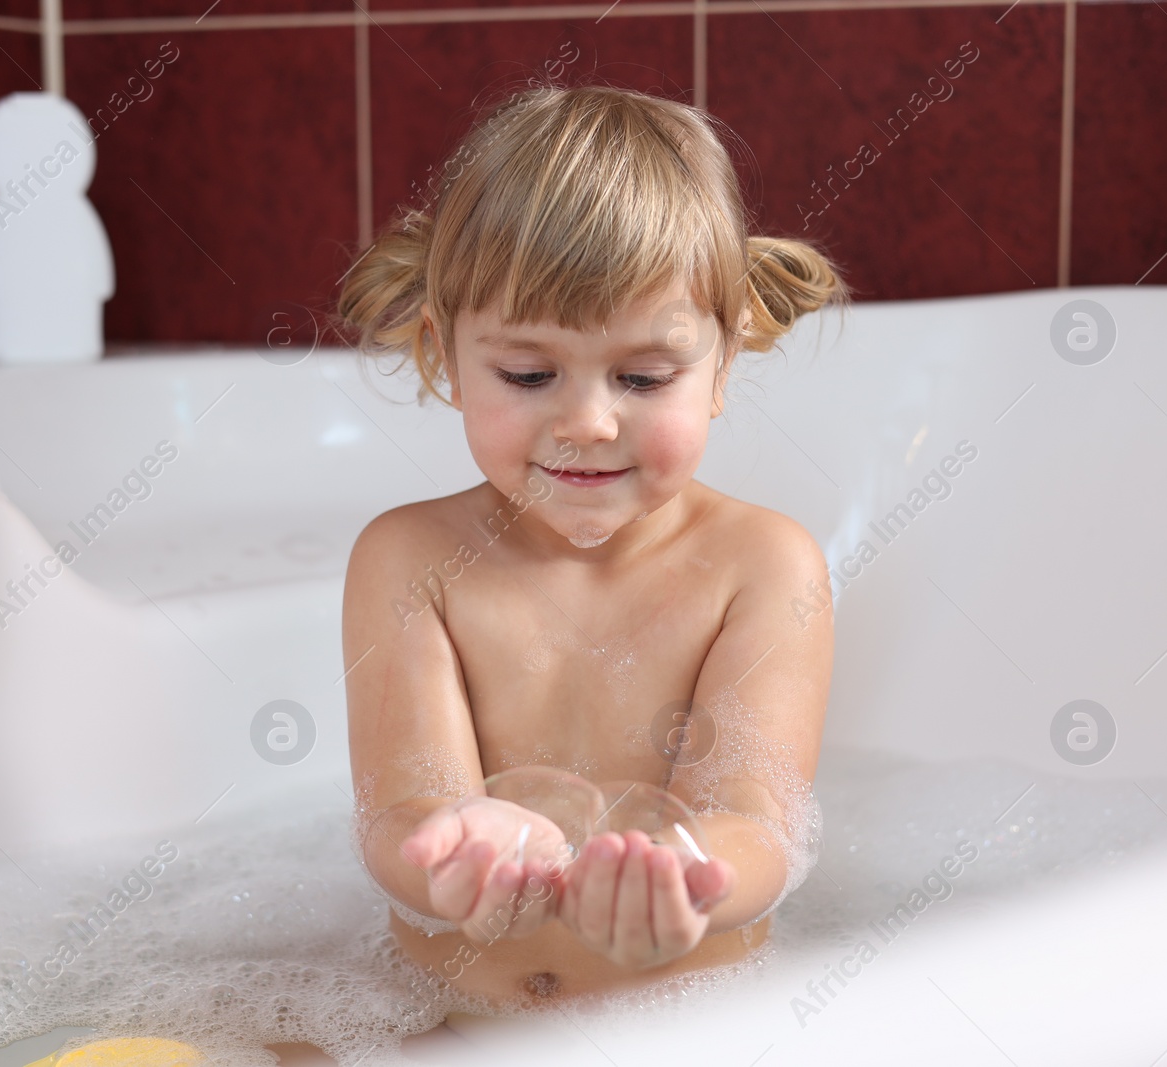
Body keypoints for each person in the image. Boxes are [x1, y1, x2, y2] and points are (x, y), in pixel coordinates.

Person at [332, 82, 850, 1010]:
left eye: (644, 377)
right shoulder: (408, 560)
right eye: (529, 373)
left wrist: (690, 879)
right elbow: (397, 812)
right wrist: (454, 853)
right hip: (448, 1020)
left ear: (722, 366)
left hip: (681, 1027)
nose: (588, 421)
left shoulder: (762, 568)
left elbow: (757, 820)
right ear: (443, 354)